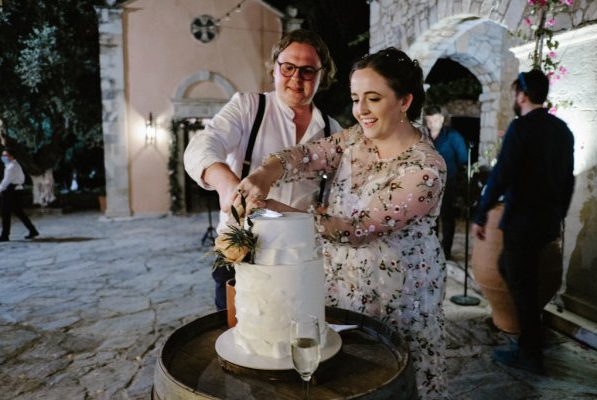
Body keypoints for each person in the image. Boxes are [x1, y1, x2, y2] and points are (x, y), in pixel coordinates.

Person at [236, 47, 449, 399]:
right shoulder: (353, 139)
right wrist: (264, 173)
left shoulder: (425, 170)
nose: (360, 110)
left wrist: (278, 208)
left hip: (397, 304)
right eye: (355, 99)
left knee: (388, 386)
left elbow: (354, 229)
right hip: (339, 290)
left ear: (405, 100)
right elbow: (306, 155)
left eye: (373, 99)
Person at [183, 29, 342, 310]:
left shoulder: (332, 131)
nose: (296, 78)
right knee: (238, 338)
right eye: (288, 67)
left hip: (299, 259)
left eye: (307, 70)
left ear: (322, 75)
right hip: (242, 253)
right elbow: (202, 145)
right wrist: (224, 183)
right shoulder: (248, 107)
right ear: (275, 69)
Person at [472, 69, 575, 373]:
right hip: (546, 221)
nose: (515, 98)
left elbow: (502, 174)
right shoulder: (563, 130)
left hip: (522, 221)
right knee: (514, 271)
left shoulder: (521, 128)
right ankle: (531, 343)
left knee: (522, 284)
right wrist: (559, 215)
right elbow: (567, 180)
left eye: (516, 92)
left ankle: (531, 352)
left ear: (523, 95)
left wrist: (481, 213)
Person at [423, 105, 468, 260]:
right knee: (429, 218)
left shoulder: (453, 136)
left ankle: (446, 251)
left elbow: (463, 159)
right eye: (428, 121)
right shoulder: (423, 135)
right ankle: (432, 249)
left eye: (434, 120)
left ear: (441, 118)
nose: (431, 124)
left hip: (448, 182)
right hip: (426, 184)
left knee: (447, 217)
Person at [0, 149, 39, 242]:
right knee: (18, 212)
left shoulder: (12, 167)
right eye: (3, 155)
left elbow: (6, 181)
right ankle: (32, 230)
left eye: (6, 155)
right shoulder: (13, 166)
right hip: (15, 191)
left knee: (5, 212)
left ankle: (5, 235)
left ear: (12, 156)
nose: (3, 157)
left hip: (11, 191)